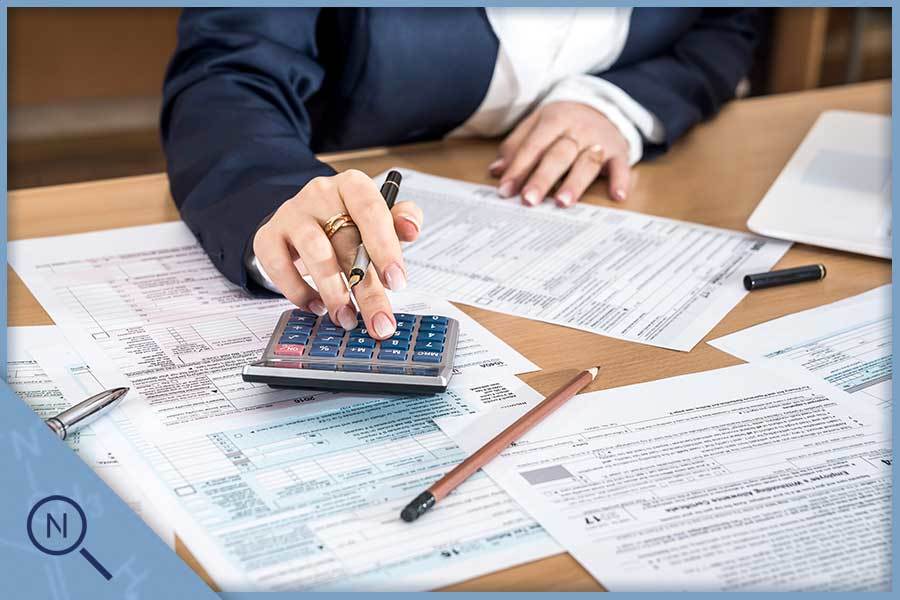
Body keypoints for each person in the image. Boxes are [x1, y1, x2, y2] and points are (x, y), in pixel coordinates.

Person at [162, 7, 759, 340]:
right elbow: (228, 76)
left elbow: (726, 22)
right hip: (341, 182)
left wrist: (615, 105)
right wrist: (278, 202)